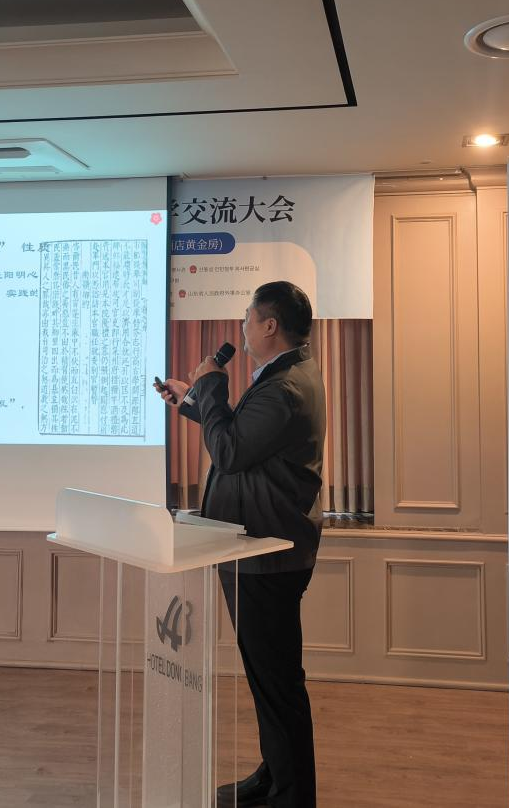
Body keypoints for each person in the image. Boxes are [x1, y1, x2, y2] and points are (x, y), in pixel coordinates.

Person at [155, 280, 325, 808]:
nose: (243, 326)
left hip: (265, 555)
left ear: (270, 325)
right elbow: (244, 439)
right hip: (258, 549)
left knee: (277, 684)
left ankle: (291, 795)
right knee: (268, 681)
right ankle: (274, 776)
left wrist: (210, 385)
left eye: (249, 317)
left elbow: (228, 452)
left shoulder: (283, 387)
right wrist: (193, 400)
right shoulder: (282, 375)